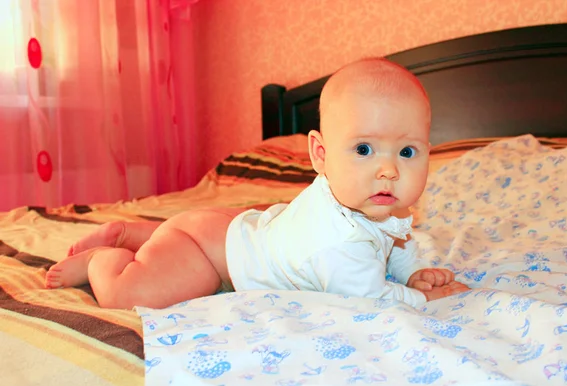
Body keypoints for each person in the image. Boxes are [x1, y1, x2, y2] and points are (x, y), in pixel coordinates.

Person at [45, 58, 470, 309]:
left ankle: (146, 235)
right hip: (212, 255)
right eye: (363, 150)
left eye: (407, 152)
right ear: (320, 155)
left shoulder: (374, 202)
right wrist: (424, 299)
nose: (389, 171)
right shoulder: (338, 242)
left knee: (178, 240)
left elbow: (393, 242)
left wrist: (413, 271)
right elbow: (370, 300)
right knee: (133, 293)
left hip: (232, 228)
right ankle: (103, 259)